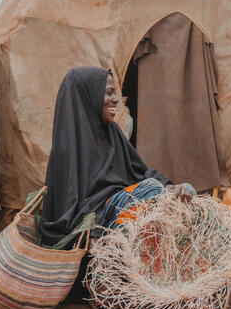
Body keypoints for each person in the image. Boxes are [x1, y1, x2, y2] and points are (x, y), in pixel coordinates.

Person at [39, 66, 194, 247]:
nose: (115, 100)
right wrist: (92, 231)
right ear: (89, 96)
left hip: (121, 210)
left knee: (187, 190)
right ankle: (114, 257)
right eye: (108, 93)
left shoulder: (112, 133)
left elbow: (139, 171)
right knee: (151, 189)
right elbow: (67, 209)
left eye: (115, 93)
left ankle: (143, 255)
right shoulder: (69, 145)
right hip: (96, 225)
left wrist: (171, 188)